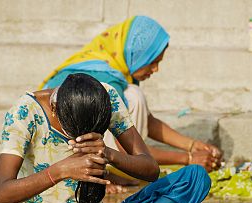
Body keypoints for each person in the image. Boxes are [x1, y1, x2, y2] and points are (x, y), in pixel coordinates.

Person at [0, 73, 211, 203]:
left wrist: (108, 154)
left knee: (195, 179)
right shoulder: (24, 114)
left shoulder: (105, 97)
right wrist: (59, 171)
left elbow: (151, 170)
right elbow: (0, 195)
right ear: (56, 109)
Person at [39, 15, 222, 174]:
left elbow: (146, 122)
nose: (155, 69)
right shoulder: (104, 82)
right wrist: (188, 158)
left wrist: (192, 145)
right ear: (137, 54)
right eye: (152, 62)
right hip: (60, 157)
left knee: (133, 95)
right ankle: (107, 174)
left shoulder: (114, 72)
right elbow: (127, 150)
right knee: (134, 95)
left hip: (85, 150)